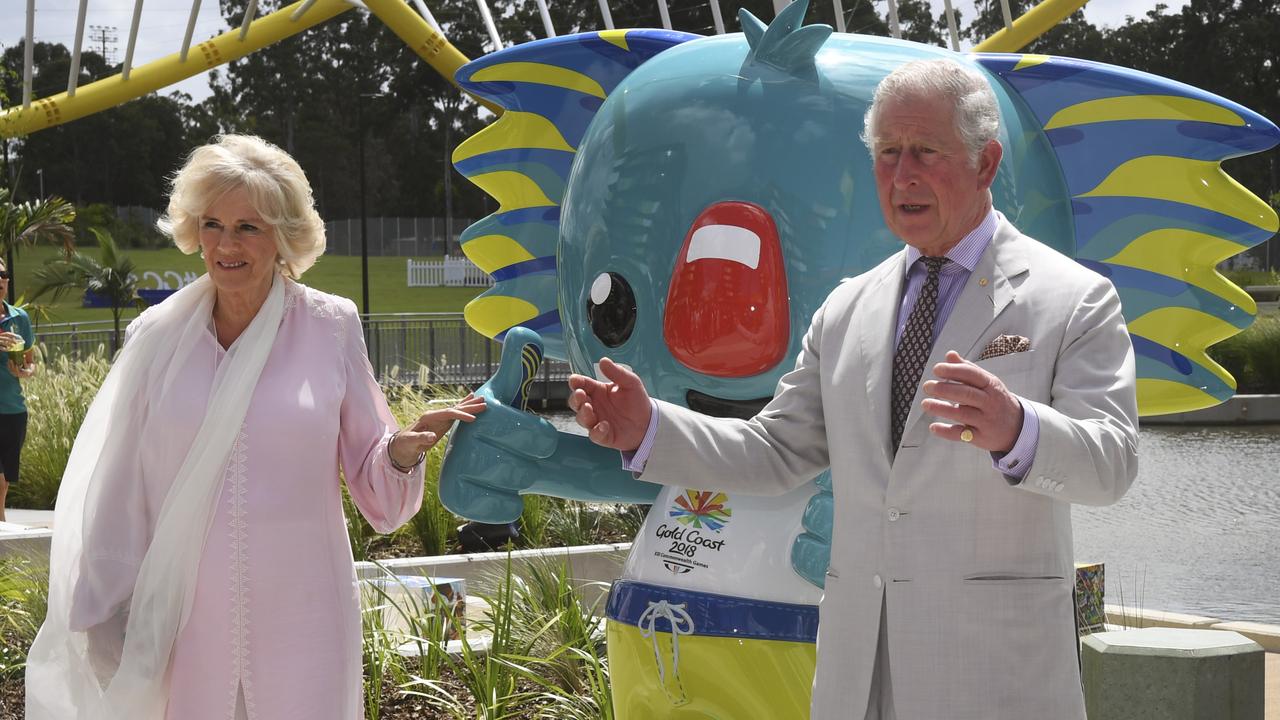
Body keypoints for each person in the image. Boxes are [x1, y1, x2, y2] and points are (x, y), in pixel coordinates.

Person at [567, 59, 1139, 720]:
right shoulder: (845, 310)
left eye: (925, 151)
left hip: (996, 677)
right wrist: (651, 431)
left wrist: (1020, 431)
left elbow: (1112, 465)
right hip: (855, 675)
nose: (903, 177)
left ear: (986, 164)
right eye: (888, 154)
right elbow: (775, 452)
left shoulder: (1074, 299)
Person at [25, 134, 486, 720]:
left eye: (248, 227)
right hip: (183, 622)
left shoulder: (331, 326)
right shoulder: (155, 336)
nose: (225, 244)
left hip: (305, 613)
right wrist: (104, 608)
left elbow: (379, 493)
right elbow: (119, 484)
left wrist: (400, 452)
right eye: (212, 223)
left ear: (284, 237)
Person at [0, 259, 37, 522]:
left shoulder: (19, 318)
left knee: (5, 477)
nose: (0, 281)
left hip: (13, 408)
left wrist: (25, 372)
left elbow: (30, 361)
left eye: (3, 275)